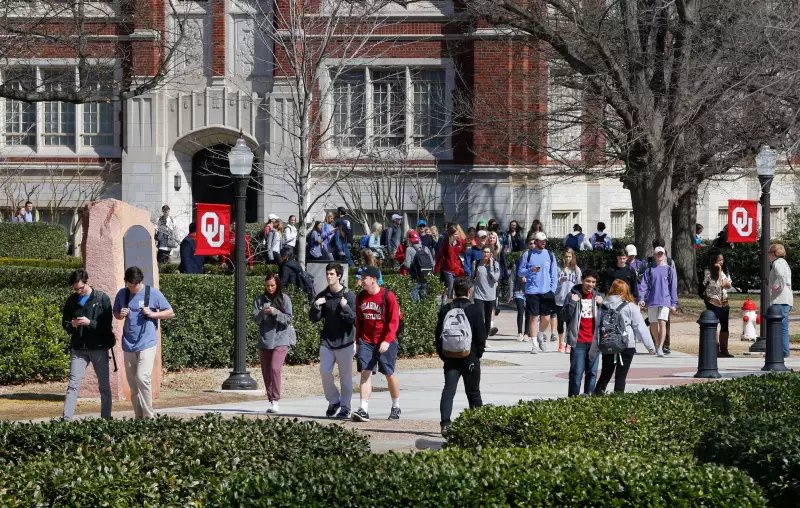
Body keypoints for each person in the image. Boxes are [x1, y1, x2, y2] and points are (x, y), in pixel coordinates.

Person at [113, 266, 174, 419]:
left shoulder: (152, 293)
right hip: (128, 343)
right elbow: (116, 314)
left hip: (147, 342)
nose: (132, 288)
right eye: (129, 285)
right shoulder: (122, 294)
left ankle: (149, 417)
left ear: (140, 281)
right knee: (133, 385)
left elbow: (170, 312)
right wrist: (121, 314)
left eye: (134, 285)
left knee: (142, 377)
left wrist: (152, 314)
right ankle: (139, 418)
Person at [61, 268, 115, 420]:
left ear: (86, 282)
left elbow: (106, 326)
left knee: (104, 386)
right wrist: (72, 325)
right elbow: (65, 323)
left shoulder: (101, 298)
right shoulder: (72, 300)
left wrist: (90, 322)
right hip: (79, 348)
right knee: (73, 385)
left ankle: (106, 418)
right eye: (75, 289)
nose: (78, 291)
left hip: (98, 348)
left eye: (80, 288)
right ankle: (66, 420)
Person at [436, 276, 486, 435]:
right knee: (473, 392)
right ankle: (478, 426)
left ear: (454, 291)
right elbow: (481, 336)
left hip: (450, 357)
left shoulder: (446, 308)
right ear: (469, 291)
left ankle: (445, 424)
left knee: (448, 391)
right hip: (470, 357)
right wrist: (477, 355)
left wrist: (443, 355)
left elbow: (438, 335)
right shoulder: (474, 309)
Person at [352, 266, 401, 422]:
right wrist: (357, 341)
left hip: (385, 341)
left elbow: (394, 321)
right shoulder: (360, 297)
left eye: (364, 278)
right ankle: (363, 409)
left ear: (373, 279)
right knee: (365, 372)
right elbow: (359, 322)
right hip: (366, 341)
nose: (361, 281)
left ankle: (396, 406)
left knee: (389, 374)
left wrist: (387, 340)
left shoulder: (388, 296)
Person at [591, 280, 655, 394]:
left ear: (611, 290)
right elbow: (640, 328)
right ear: (625, 291)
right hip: (626, 345)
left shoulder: (603, 307)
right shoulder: (630, 307)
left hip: (608, 344)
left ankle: (596, 399)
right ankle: (618, 400)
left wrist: (593, 351)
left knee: (605, 375)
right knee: (621, 376)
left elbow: (597, 330)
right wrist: (650, 346)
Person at [310, 263, 356, 419]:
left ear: (339, 276)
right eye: (327, 274)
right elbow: (313, 319)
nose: (328, 276)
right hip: (327, 341)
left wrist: (346, 307)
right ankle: (334, 400)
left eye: (332, 274)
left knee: (345, 378)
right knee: (324, 371)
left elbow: (355, 319)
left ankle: (345, 407)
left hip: (345, 341)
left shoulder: (349, 296)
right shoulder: (323, 295)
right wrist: (316, 305)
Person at [252, 273, 293, 414]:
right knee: (266, 373)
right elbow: (255, 319)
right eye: (267, 285)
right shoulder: (259, 299)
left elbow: (288, 319)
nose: (270, 288)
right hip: (264, 341)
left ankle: (276, 400)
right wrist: (263, 312)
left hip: (281, 339)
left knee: (275, 369)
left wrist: (276, 312)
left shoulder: (284, 299)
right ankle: (271, 400)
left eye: (272, 285)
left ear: (277, 285)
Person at [560, 269, 603, 396]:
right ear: (582, 280)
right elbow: (564, 316)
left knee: (592, 373)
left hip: (594, 342)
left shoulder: (598, 297)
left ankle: (588, 399)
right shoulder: (572, 295)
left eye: (593, 282)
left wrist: (602, 305)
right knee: (576, 373)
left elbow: (607, 318)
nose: (590, 284)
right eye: (588, 281)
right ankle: (573, 400)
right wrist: (572, 303)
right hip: (578, 341)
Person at [518, 232, 558, 354]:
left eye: (545, 240)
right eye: (541, 241)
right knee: (534, 318)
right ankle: (534, 344)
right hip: (532, 291)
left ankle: (540, 335)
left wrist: (552, 289)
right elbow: (520, 272)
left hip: (547, 291)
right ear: (535, 242)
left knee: (546, 318)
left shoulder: (550, 254)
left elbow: (554, 274)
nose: (543, 242)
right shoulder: (528, 254)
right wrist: (531, 270)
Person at [638, 238, 677, 353]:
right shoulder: (649, 269)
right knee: (653, 324)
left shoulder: (670, 269)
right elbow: (643, 285)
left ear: (664, 254)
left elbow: (673, 287)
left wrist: (673, 303)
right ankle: (656, 342)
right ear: (654, 254)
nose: (660, 255)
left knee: (662, 322)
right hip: (652, 300)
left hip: (665, 301)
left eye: (661, 253)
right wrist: (641, 298)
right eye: (657, 253)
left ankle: (660, 347)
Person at [701, 248, 733, 358]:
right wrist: (718, 270)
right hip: (713, 301)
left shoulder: (725, 270)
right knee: (713, 324)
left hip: (724, 300)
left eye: (722, 260)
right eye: (719, 260)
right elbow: (718, 284)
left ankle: (724, 349)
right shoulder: (708, 271)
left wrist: (726, 283)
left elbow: (729, 284)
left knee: (725, 325)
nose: (721, 262)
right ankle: (715, 349)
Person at [554, 248, 582, 353]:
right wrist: (559, 280)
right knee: (560, 323)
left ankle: (569, 344)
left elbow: (579, 285)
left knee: (570, 324)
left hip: (571, 300)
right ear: (563, 257)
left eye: (570, 257)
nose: (568, 259)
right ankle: (561, 343)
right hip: (559, 299)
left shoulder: (576, 270)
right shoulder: (558, 268)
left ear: (573, 257)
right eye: (566, 256)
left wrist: (578, 297)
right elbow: (553, 282)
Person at [471, 244, 500, 338]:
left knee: (488, 317)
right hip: (478, 294)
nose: (486, 254)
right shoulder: (476, 263)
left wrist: (491, 266)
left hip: (490, 295)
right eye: (484, 252)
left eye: (488, 252)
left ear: (491, 253)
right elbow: (472, 277)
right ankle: (479, 335)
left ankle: (485, 337)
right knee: (479, 315)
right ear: (481, 252)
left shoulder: (495, 264)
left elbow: (495, 278)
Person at [769, 243, 793, 357]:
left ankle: (782, 351)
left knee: (778, 327)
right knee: (783, 328)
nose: (768, 255)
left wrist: (780, 287)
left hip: (780, 299)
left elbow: (781, 275)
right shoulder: (784, 262)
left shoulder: (777, 262)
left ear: (774, 253)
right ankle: (784, 350)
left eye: (769, 253)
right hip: (787, 299)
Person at [434, 223, 466, 300]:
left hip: (458, 268)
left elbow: (464, 252)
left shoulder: (460, 241)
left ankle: (457, 301)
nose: (457, 236)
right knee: (451, 286)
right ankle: (450, 302)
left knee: (458, 286)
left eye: (458, 234)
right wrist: (436, 270)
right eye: (455, 234)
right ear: (451, 234)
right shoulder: (446, 242)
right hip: (448, 268)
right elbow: (440, 256)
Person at [405, 230, 434, 302]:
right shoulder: (426, 248)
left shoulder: (409, 249)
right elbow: (432, 264)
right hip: (426, 277)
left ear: (409, 239)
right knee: (425, 301)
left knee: (414, 302)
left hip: (415, 278)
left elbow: (407, 266)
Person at [510, 256, 530, 342]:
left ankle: (526, 333)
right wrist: (511, 294)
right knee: (520, 311)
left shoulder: (533, 266)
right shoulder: (516, 265)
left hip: (529, 292)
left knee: (528, 313)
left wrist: (527, 280)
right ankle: (519, 333)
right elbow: (511, 280)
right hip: (518, 291)